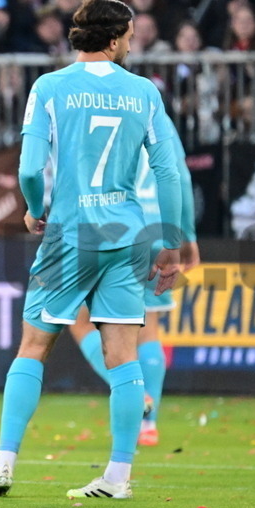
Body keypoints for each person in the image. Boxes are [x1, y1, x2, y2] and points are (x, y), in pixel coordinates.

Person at [0, 0, 182, 500]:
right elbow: (167, 170)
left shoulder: (50, 86)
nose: (131, 44)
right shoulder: (144, 93)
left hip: (70, 232)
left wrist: (32, 207)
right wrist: (172, 241)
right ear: (114, 39)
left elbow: (30, 167)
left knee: (34, 346)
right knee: (123, 354)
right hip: (128, 235)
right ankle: (118, 476)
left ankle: (4, 462)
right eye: (130, 36)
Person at [69, 135, 201, 448]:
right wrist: (187, 236)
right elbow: (179, 177)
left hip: (116, 228)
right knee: (149, 328)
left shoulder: (108, 114)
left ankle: (133, 390)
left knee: (79, 319)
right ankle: (149, 425)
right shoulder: (162, 123)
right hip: (157, 228)